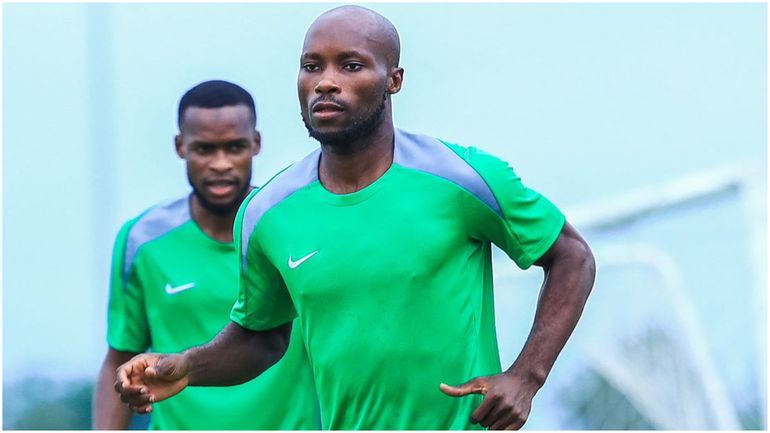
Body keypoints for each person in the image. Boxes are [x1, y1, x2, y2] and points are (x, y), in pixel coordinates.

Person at [115, 7, 596, 430]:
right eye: (311, 66)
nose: (325, 81)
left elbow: (571, 256)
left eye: (350, 65)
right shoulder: (267, 213)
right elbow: (260, 337)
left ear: (394, 79)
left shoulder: (463, 178)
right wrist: (188, 366)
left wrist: (525, 376)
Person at [94, 80, 320, 430]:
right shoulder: (142, 241)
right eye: (204, 149)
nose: (220, 164)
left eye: (234, 147)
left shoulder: (294, 230)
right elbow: (119, 358)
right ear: (180, 146)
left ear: (256, 144)